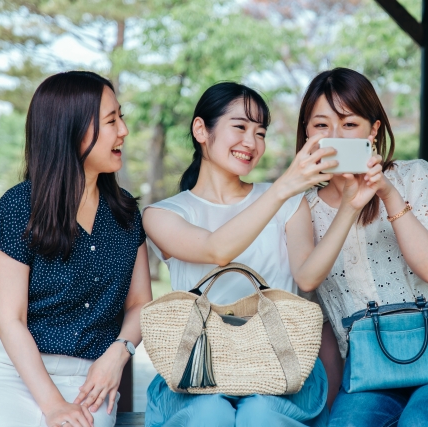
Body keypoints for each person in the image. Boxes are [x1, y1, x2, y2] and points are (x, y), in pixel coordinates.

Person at [143, 81, 384, 427]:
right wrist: (284, 187)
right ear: (201, 129)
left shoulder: (290, 202)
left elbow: (306, 278)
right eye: (239, 127)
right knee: (210, 414)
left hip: (281, 364)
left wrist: (349, 207)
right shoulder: (164, 214)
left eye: (260, 132)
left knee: (261, 414)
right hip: (201, 370)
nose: (251, 143)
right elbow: (218, 249)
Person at [295, 68, 428, 427]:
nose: (335, 137)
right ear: (306, 132)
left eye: (349, 124)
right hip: (368, 371)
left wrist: (386, 191)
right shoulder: (303, 211)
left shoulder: (413, 177)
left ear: (373, 129)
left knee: (423, 421)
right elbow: (320, 319)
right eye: (321, 126)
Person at [0, 71, 152, 427]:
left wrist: (119, 352)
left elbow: (141, 302)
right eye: (112, 120)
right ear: (72, 132)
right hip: (11, 373)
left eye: (120, 117)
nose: (123, 130)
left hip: (89, 380)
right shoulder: (17, 209)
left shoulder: (124, 212)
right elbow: (11, 321)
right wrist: (52, 405)